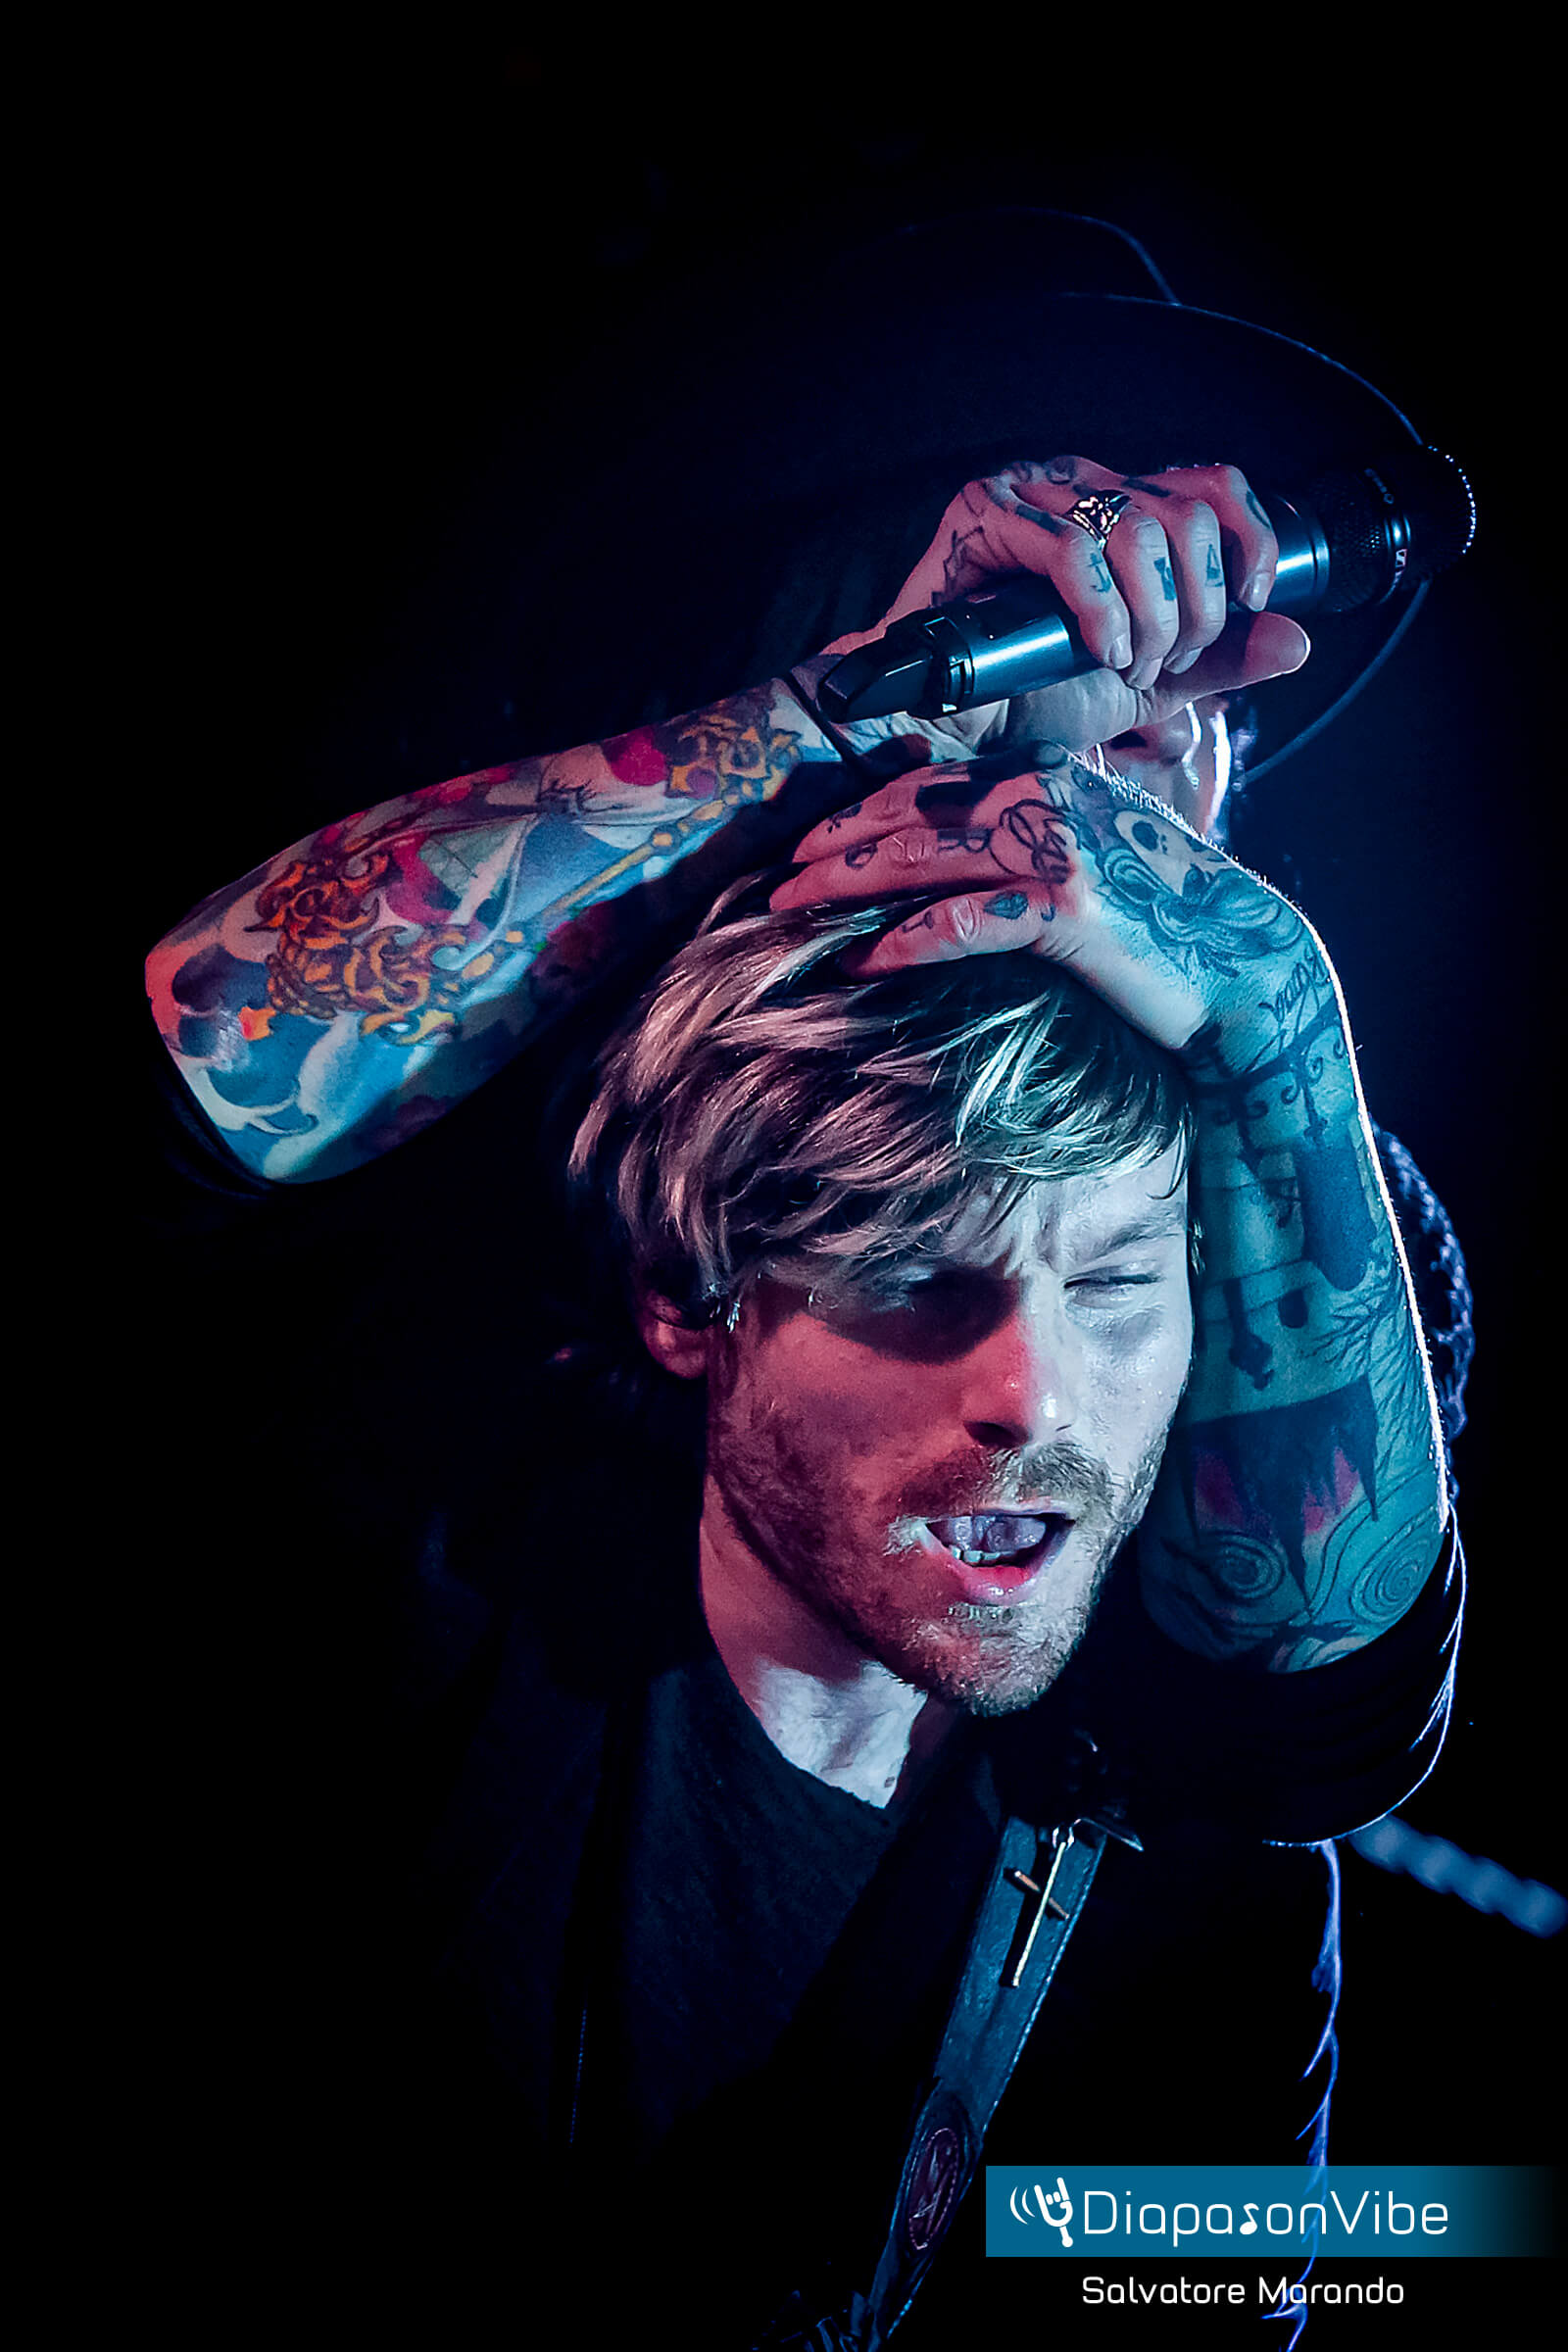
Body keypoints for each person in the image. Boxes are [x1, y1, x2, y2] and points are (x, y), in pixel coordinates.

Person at [139, 216, 1470, 2343]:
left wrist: (1281, 1012)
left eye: (1189, 628)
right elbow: (180, 1092)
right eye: (1060, 606)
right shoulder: (531, 1132)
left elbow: (1312, 1727)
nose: (1150, 680)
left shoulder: (1292, 1192)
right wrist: (858, 700)